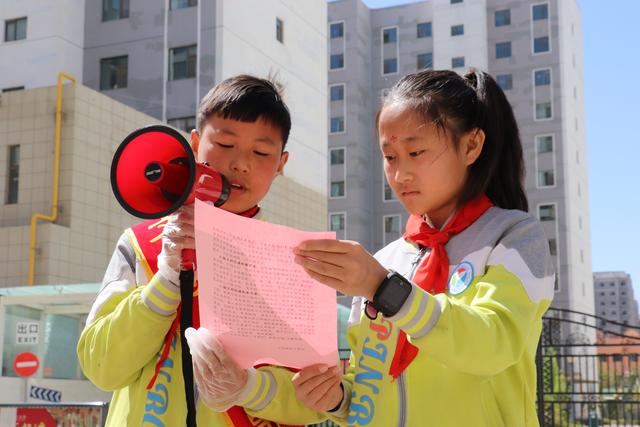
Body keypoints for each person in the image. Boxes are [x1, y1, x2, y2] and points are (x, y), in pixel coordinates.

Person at [290, 69, 556, 426]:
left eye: (415, 151)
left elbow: (493, 345)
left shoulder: (515, 237)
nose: (400, 175)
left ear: (472, 145)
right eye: (390, 156)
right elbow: (366, 389)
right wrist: (336, 398)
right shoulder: (383, 261)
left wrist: (385, 289)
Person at [77, 75, 325, 426]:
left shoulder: (294, 261)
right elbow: (100, 367)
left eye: (261, 152)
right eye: (225, 144)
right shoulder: (140, 244)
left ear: (281, 164)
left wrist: (248, 389)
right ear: (194, 144)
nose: (241, 163)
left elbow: (314, 402)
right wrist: (163, 285)